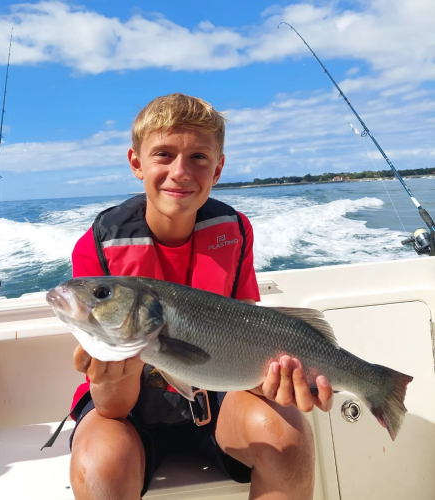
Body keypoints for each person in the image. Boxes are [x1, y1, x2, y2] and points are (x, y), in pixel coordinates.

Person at [69, 93, 334, 500]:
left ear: (218, 168)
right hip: (127, 412)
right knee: (99, 467)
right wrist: (111, 375)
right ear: (136, 163)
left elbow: (245, 339)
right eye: (163, 154)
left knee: (288, 440)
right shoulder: (98, 249)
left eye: (198, 157)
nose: (180, 172)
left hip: (219, 397)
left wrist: (271, 383)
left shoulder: (236, 231)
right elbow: (112, 408)